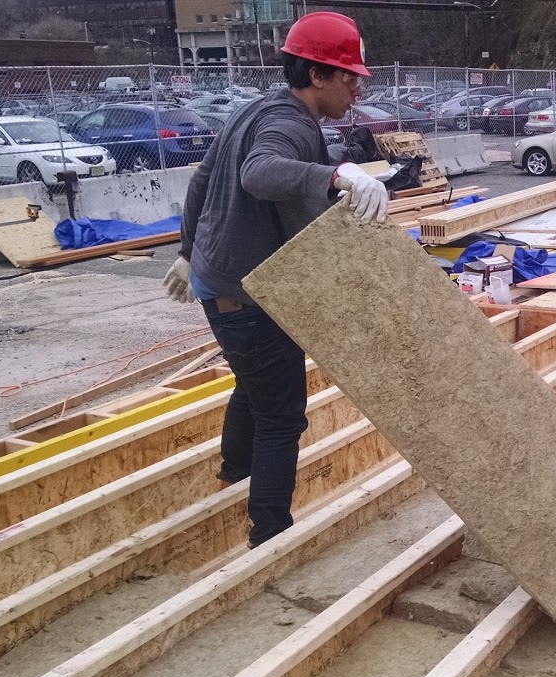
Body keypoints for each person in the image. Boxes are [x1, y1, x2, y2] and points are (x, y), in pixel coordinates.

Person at [162, 11, 389, 548]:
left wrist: (188, 252)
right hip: (244, 295)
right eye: (349, 76)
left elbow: (203, 179)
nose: (357, 88)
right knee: (283, 417)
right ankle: (270, 534)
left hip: (224, 284)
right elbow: (257, 174)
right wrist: (337, 174)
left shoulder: (255, 110)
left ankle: (234, 471)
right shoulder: (289, 125)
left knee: (258, 385)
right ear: (316, 76)